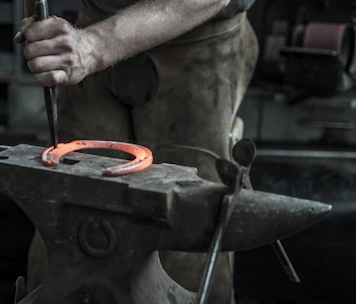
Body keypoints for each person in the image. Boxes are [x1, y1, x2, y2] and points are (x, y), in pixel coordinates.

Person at [15, 0, 259, 303]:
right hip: (95, 21)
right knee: (69, 221)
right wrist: (46, 33)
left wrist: (92, 48)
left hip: (199, 38)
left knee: (187, 233)